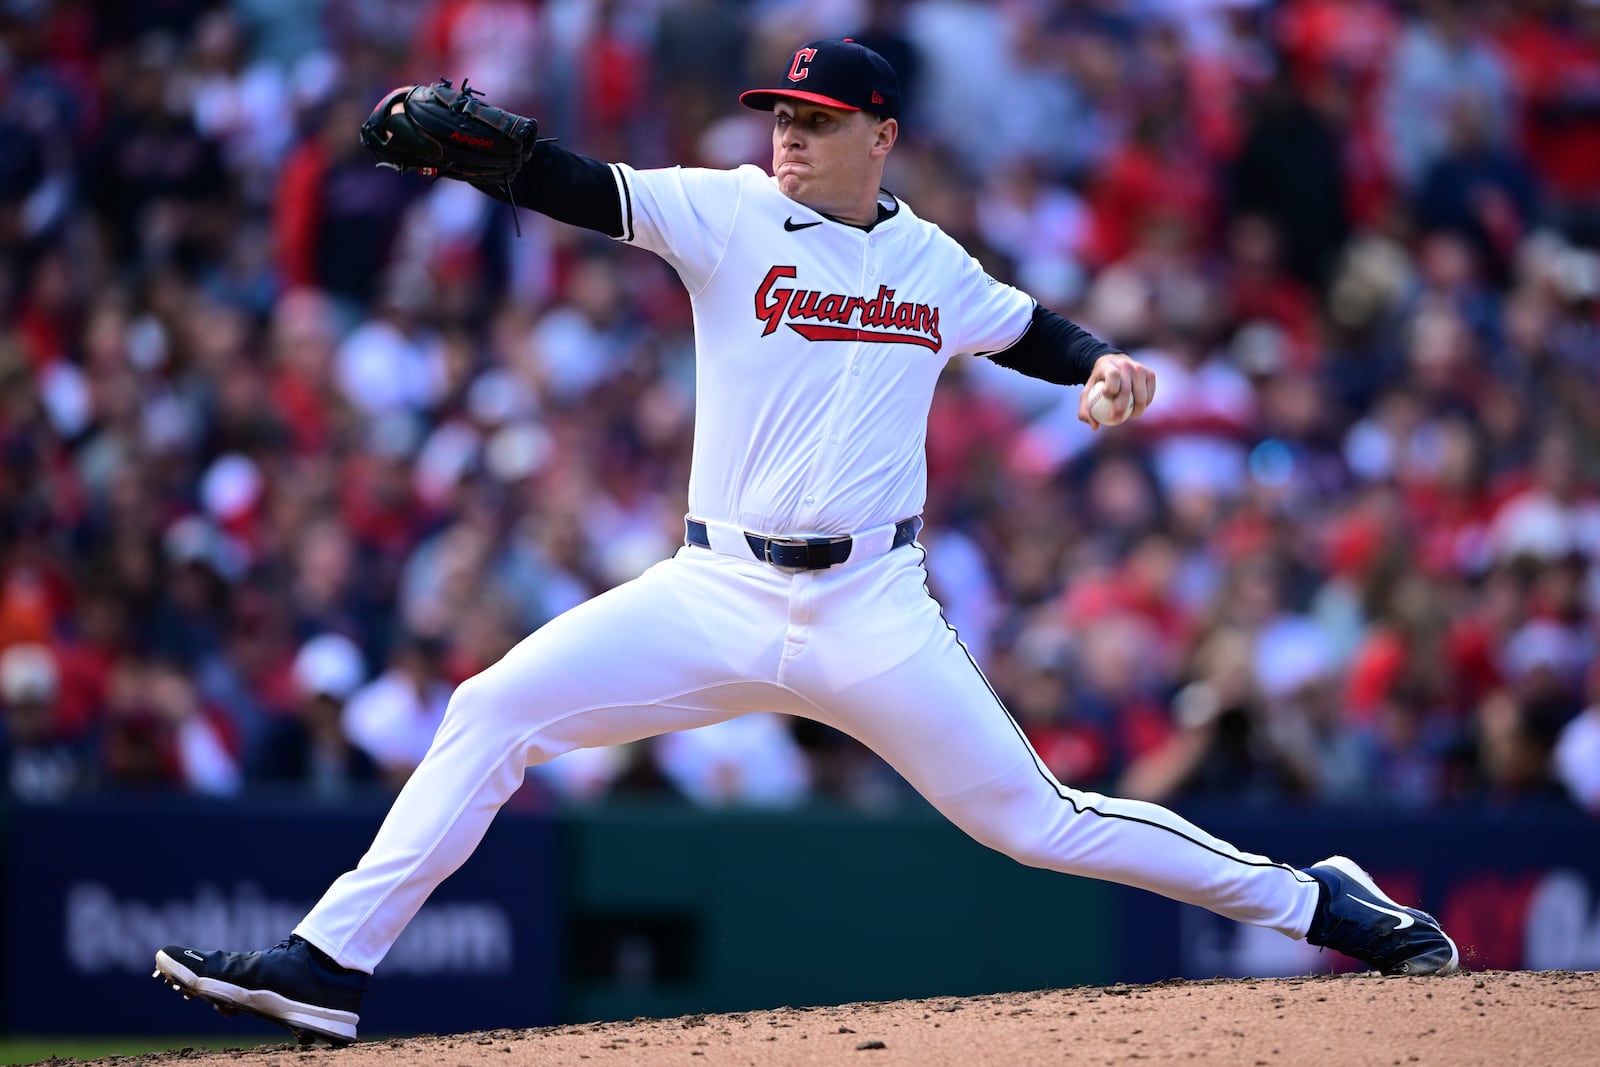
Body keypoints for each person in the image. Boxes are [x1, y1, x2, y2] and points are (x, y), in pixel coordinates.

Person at [153, 40, 1458, 1046]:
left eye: (816, 119)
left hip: (873, 606)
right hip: (712, 585)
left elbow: (1033, 328)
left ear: (880, 134)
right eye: (778, 113)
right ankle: (328, 968)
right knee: (493, 709)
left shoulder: (932, 261)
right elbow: (572, 184)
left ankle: (1316, 902)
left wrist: (1104, 366)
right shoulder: (723, 210)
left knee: (1040, 824)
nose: (787, 134)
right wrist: (474, 156)